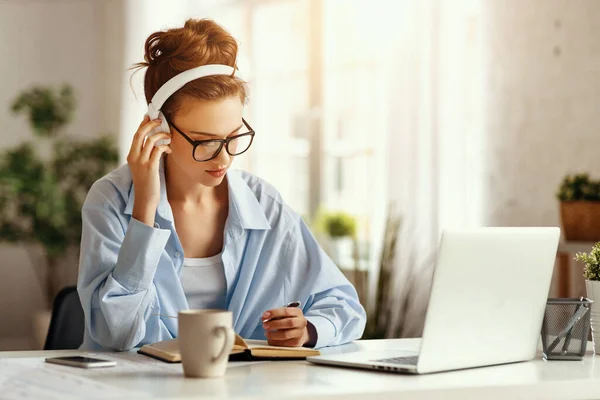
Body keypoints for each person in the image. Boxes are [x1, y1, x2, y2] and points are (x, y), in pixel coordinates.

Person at [77, 18, 366, 351]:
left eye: (233, 137)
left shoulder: (262, 201)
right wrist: (145, 208)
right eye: (205, 141)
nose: (224, 158)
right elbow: (114, 335)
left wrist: (308, 330)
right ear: (159, 130)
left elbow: (344, 306)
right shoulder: (111, 200)